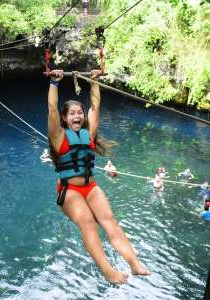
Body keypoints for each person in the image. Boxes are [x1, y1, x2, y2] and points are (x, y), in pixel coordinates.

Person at [47, 69, 150, 284]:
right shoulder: (58, 137)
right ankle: (107, 270)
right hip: (69, 190)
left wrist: (94, 82)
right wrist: (54, 83)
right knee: (88, 223)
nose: (77, 116)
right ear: (65, 118)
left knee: (109, 220)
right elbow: (51, 108)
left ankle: (134, 262)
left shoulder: (89, 134)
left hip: (90, 187)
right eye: (72, 113)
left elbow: (96, 106)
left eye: (79, 113)